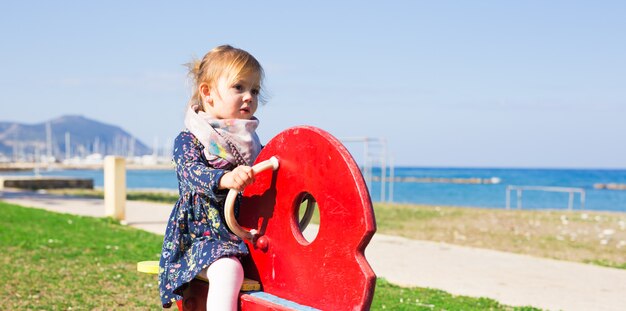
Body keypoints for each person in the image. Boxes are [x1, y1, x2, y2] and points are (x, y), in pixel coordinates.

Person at [158, 45, 265, 310]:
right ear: (207, 93)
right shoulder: (190, 139)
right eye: (239, 87)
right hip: (201, 237)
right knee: (228, 269)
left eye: (255, 90)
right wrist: (224, 179)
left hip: (240, 233)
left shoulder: (251, 144)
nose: (249, 97)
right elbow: (192, 173)